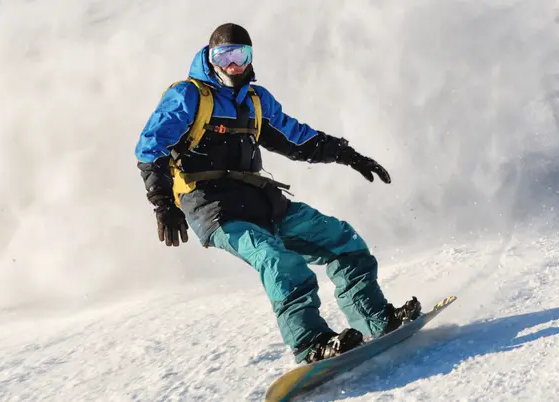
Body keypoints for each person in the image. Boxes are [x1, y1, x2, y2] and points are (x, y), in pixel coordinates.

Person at [134, 23, 422, 364]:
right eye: (223, 56)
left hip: (261, 200)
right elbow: (151, 148)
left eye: (241, 55)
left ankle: (377, 318)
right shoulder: (189, 95)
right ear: (209, 58)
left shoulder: (257, 101)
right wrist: (163, 203)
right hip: (213, 209)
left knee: (343, 242)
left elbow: (297, 138)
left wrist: (347, 154)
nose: (233, 65)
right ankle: (313, 343)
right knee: (278, 260)